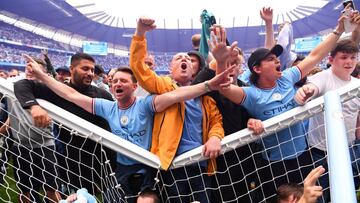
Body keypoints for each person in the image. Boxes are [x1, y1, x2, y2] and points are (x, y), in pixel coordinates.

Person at [24, 54, 233, 203]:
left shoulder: (145, 105)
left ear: (134, 87)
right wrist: (42, 76)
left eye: (123, 81)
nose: (117, 84)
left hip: (148, 166)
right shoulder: (107, 107)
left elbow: (176, 95)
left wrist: (208, 85)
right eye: (114, 81)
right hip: (121, 169)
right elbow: (71, 95)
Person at [211, 13, 347, 201]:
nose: (277, 61)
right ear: (257, 69)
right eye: (271, 59)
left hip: (303, 157)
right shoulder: (252, 94)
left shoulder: (287, 78)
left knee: (312, 199)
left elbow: (316, 55)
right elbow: (223, 88)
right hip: (274, 165)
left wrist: (338, 30)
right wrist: (220, 61)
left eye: (277, 57)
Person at [130, 17, 225, 203]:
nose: (184, 59)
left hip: (201, 165)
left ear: (193, 71)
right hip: (172, 166)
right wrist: (140, 33)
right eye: (178, 58)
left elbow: (216, 122)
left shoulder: (205, 99)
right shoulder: (163, 86)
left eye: (188, 59)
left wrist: (215, 138)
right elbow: (139, 69)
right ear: (170, 69)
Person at [14, 53, 117, 195]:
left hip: (104, 158)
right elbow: (22, 85)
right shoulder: (57, 91)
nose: (90, 73)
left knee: (110, 195)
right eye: (85, 69)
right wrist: (34, 106)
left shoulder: (102, 94)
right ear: (72, 69)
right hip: (73, 161)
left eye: (92, 70)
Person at [192, 46, 263, 202]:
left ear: (240, 67)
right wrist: (217, 63)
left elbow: (252, 113)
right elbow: (193, 91)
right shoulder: (211, 86)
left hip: (246, 153)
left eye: (234, 64)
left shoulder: (247, 88)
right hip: (218, 154)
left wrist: (251, 120)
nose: (230, 68)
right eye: (226, 63)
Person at [294, 39, 360, 203]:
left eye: (353, 57)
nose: (349, 62)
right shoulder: (322, 77)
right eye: (344, 57)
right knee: (321, 195)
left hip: (350, 148)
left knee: (348, 190)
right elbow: (309, 90)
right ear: (331, 60)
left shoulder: (357, 84)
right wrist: (305, 93)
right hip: (321, 151)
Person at [1, 58, 61, 203]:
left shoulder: (47, 92)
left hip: (45, 145)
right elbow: (13, 114)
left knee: (51, 189)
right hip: (21, 147)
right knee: (24, 190)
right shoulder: (12, 88)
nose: (30, 71)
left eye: (34, 69)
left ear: (43, 73)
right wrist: (3, 129)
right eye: (28, 68)